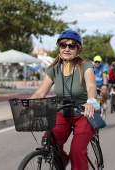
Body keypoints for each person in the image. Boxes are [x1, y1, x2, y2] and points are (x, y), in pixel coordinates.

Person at [30, 30, 100, 170]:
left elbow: (91, 86)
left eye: (71, 45)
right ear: (59, 47)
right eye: (63, 45)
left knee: (77, 150)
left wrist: (90, 101)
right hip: (62, 112)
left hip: (83, 113)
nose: (67, 48)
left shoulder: (85, 66)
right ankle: (61, 159)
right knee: (48, 143)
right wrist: (28, 105)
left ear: (78, 48)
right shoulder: (54, 69)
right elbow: (40, 92)